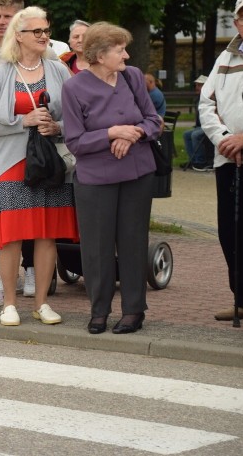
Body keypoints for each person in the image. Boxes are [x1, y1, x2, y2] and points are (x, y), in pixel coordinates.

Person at [0, 6, 78, 326]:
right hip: (12, 163)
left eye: (47, 30)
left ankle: (42, 303)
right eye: (37, 31)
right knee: (12, 235)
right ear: (18, 36)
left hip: (50, 162)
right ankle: (9, 303)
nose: (44, 36)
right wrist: (24, 121)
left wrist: (56, 127)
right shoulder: (0, 73)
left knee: (47, 234)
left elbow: (74, 119)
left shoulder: (59, 70)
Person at [62, 22, 162, 334]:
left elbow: (154, 121)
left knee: (133, 244)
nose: (127, 55)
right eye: (120, 50)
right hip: (95, 180)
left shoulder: (132, 77)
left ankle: (134, 312)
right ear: (99, 55)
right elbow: (75, 141)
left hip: (137, 174)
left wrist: (133, 134)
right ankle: (99, 311)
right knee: (97, 248)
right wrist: (110, 133)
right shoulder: (73, 88)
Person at [199, 0, 243, 321]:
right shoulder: (225, 58)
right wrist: (223, 139)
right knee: (230, 232)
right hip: (228, 159)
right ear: (236, 23)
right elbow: (207, 102)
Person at [184, 75, 215, 171]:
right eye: (196, 85)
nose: (197, 87)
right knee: (186, 134)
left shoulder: (211, 97)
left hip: (211, 125)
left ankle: (201, 162)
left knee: (195, 135)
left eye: (200, 85)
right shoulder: (198, 98)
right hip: (202, 126)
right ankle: (193, 161)